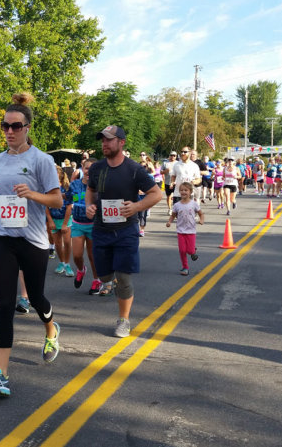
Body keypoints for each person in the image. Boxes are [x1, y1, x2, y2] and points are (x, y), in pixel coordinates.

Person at [0, 93, 63, 397]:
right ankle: (1, 375)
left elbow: (56, 199)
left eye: (16, 126)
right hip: (3, 237)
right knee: (5, 304)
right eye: (5, 126)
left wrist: (33, 195)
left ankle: (51, 328)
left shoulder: (42, 160)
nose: (9, 131)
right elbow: (2, 192)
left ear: (27, 128)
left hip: (34, 239)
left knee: (37, 297)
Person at [86, 125, 162, 338]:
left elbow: (156, 194)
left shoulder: (134, 169)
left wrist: (137, 207)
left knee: (124, 278)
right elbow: (90, 190)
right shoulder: (97, 168)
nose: (104, 143)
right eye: (102, 140)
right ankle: (109, 281)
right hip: (101, 229)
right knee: (104, 276)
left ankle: (123, 320)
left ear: (121, 142)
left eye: (109, 140)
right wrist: (90, 206)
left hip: (126, 230)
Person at [68, 157, 101, 295]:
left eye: (93, 168)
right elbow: (68, 198)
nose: (89, 171)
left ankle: (96, 280)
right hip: (77, 223)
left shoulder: (99, 185)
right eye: (87, 168)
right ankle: (81, 270)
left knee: (93, 256)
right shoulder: (75, 184)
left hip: (93, 225)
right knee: (76, 255)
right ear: (82, 168)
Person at [166, 182, 204, 276]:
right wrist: (169, 222)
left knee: (190, 251)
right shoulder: (177, 205)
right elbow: (173, 215)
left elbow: (200, 213)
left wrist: (201, 220)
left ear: (190, 192)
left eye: (186, 190)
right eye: (181, 190)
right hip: (181, 231)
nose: (183, 192)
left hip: (191, 231)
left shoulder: (194, 204)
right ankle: (185, 267)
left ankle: (193, 251)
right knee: (182, 250)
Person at [47, 166, 74, 276]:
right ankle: (61, 262)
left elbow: (69, 207)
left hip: (65, 219)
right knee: (58, 244)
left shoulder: (67, 189)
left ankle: (67, 264)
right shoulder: (47, 189)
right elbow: (46, 206)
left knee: (67, 242)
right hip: (53, 219)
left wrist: (64, 224)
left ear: (61, 176)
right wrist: (50, 221)